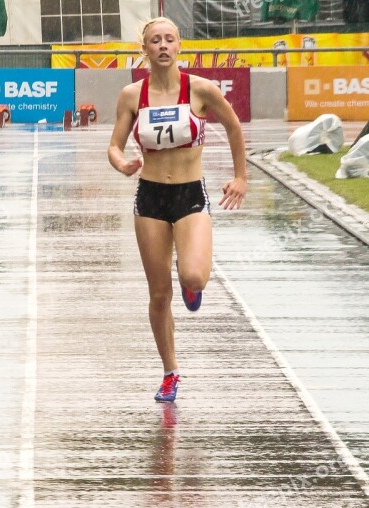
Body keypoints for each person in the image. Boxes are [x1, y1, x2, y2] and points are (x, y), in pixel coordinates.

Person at [107, 17, 247, 403]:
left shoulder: (200, 90)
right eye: (155, 40)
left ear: (179, 46)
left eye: (170, 39)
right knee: (157, 294)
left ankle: (192, 285)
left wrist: (240, 177)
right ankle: (170, 372)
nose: (163, 46)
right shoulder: (132, 95)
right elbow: (114, 146)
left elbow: (234, 127)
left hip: (190, 195)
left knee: (194, 277)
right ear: (146, 49)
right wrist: (122, 164)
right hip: (150, 198)